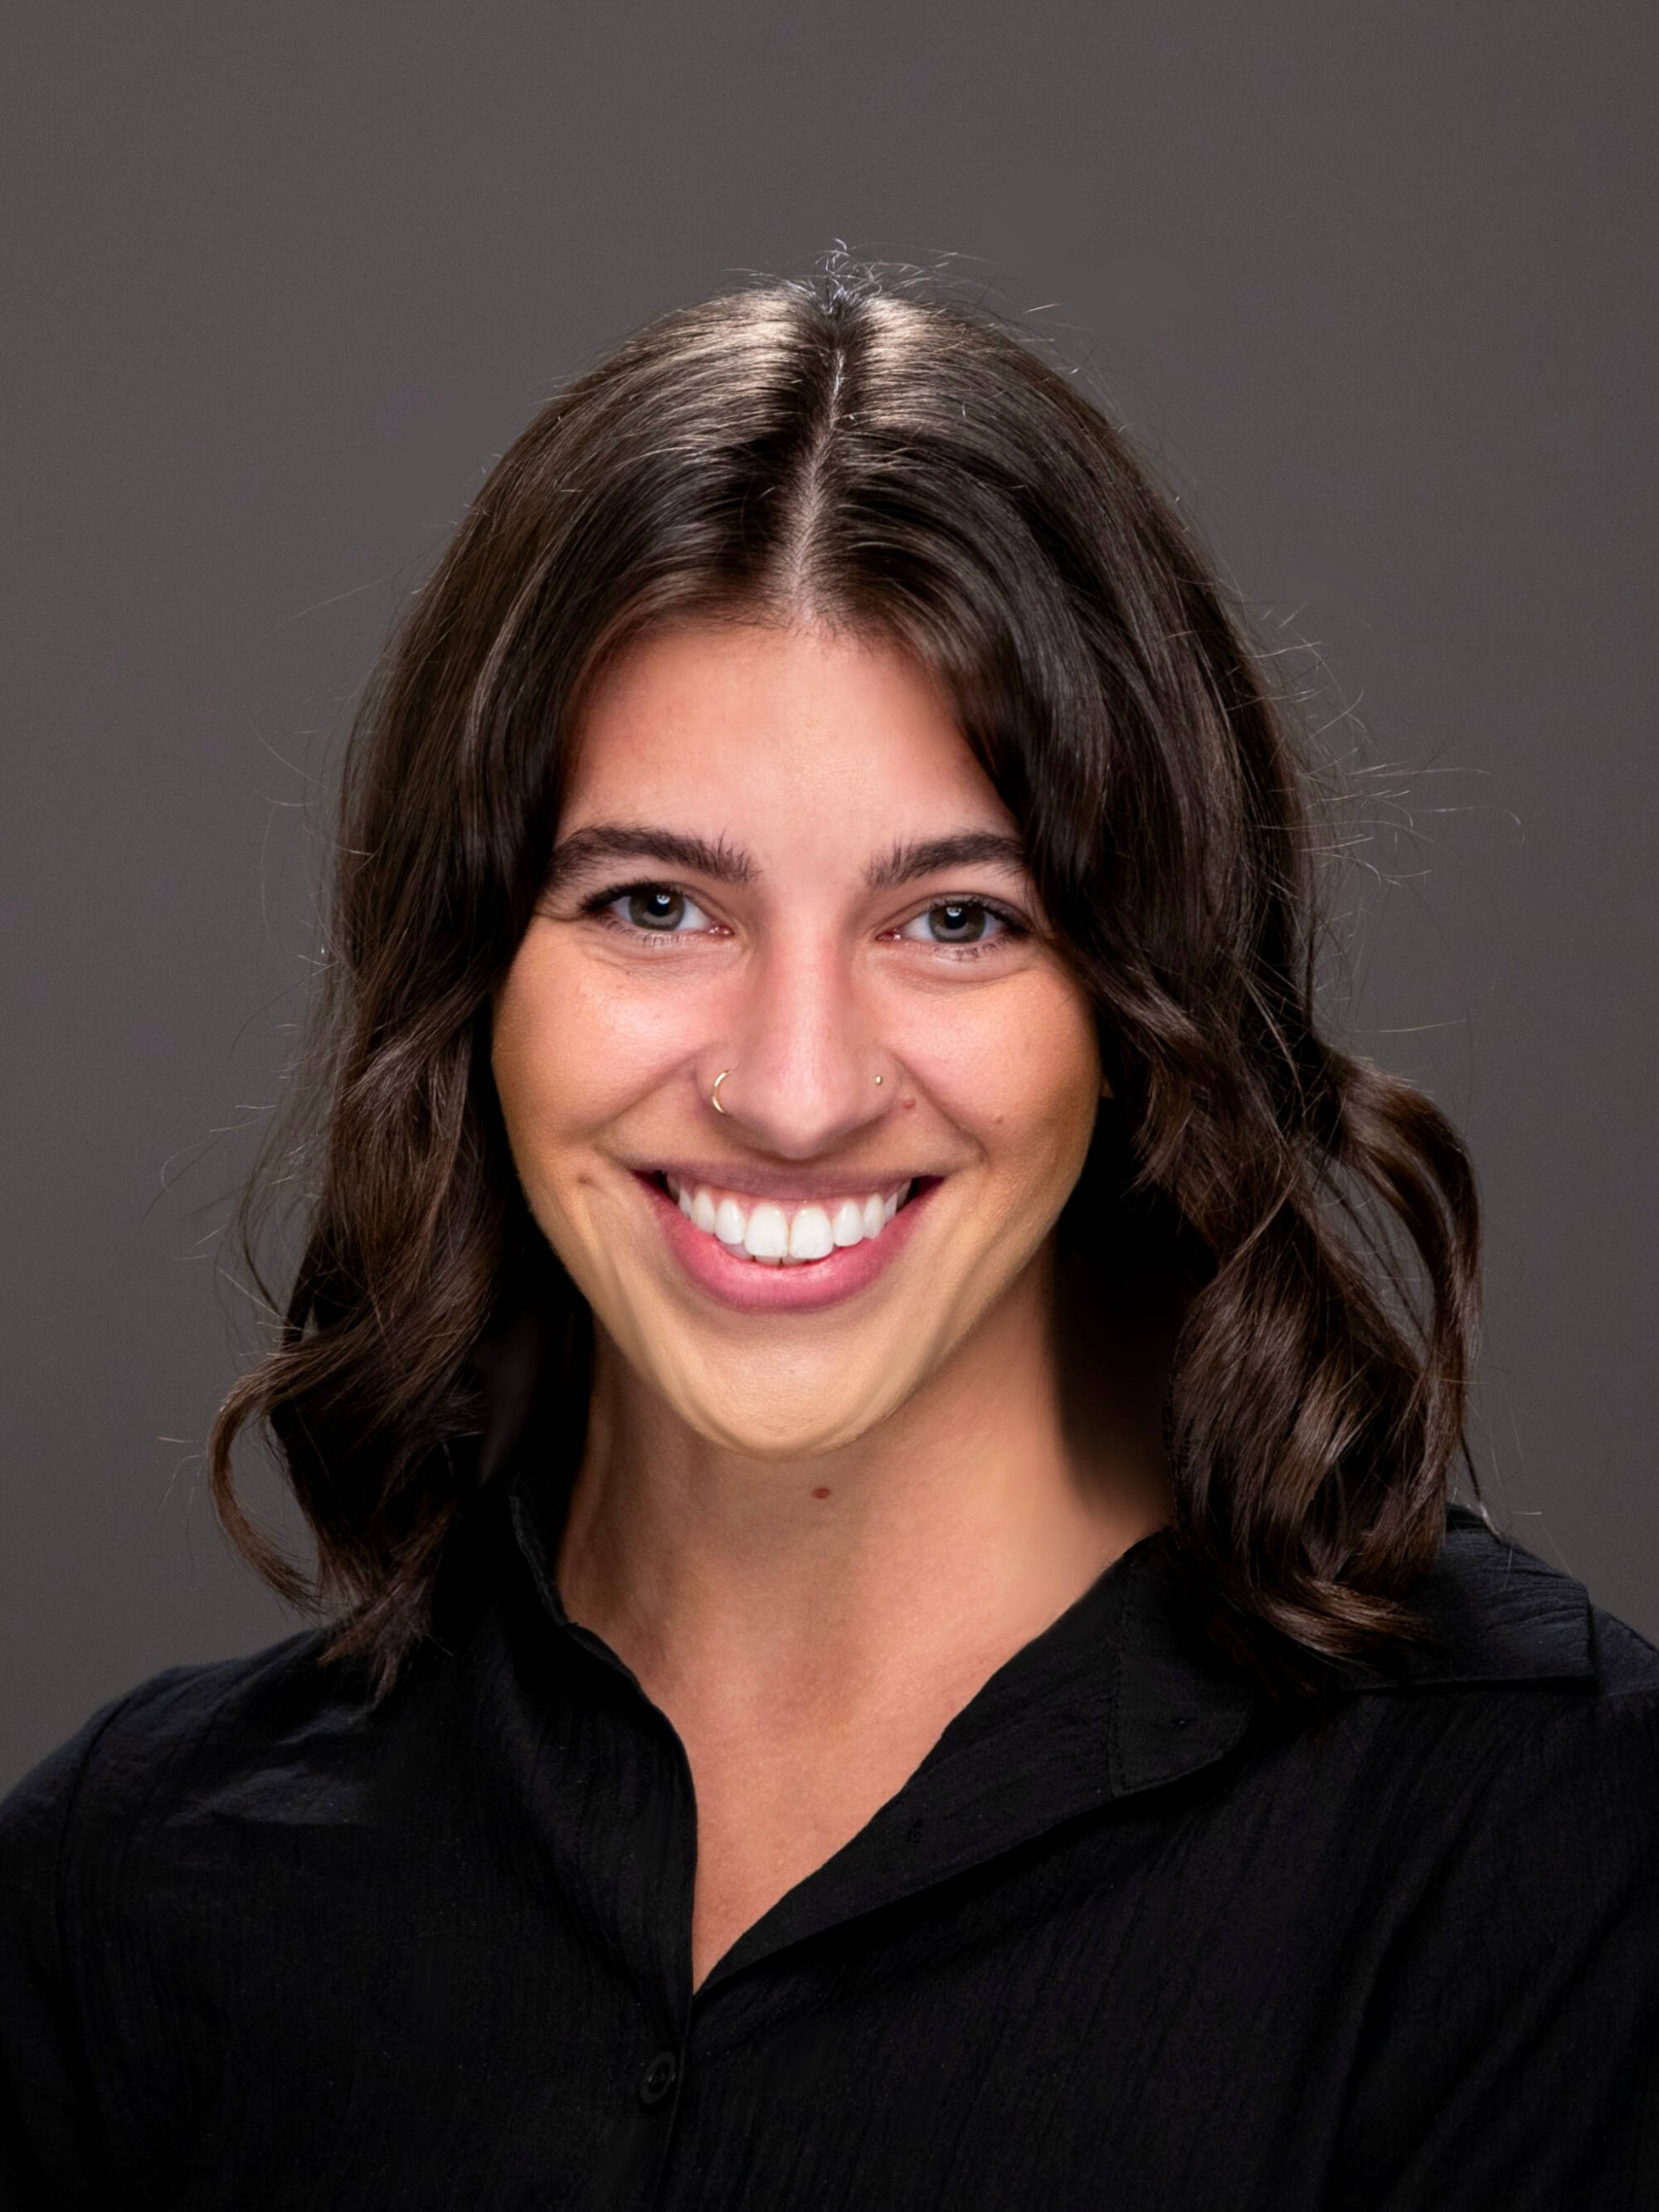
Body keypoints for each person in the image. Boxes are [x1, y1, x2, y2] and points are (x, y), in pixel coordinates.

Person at [2, 262, 1655, 2210]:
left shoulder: (1550, 1850)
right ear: (468, 977)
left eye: (958, 917)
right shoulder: (134, 1886)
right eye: (651, 905)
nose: (794, 1088)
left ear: (1139, 1004)